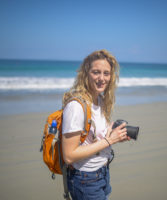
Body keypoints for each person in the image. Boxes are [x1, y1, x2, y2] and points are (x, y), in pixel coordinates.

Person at [62, 49, 130, 200]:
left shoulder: (100, 100)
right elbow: (69, 155)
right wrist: (109, 140)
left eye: (106, 73)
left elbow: (93, 139)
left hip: (103, 173)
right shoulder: (76, 107)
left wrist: (112, 135)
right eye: (96, 72)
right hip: (85, 179)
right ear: (86, 74)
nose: (102, 78)